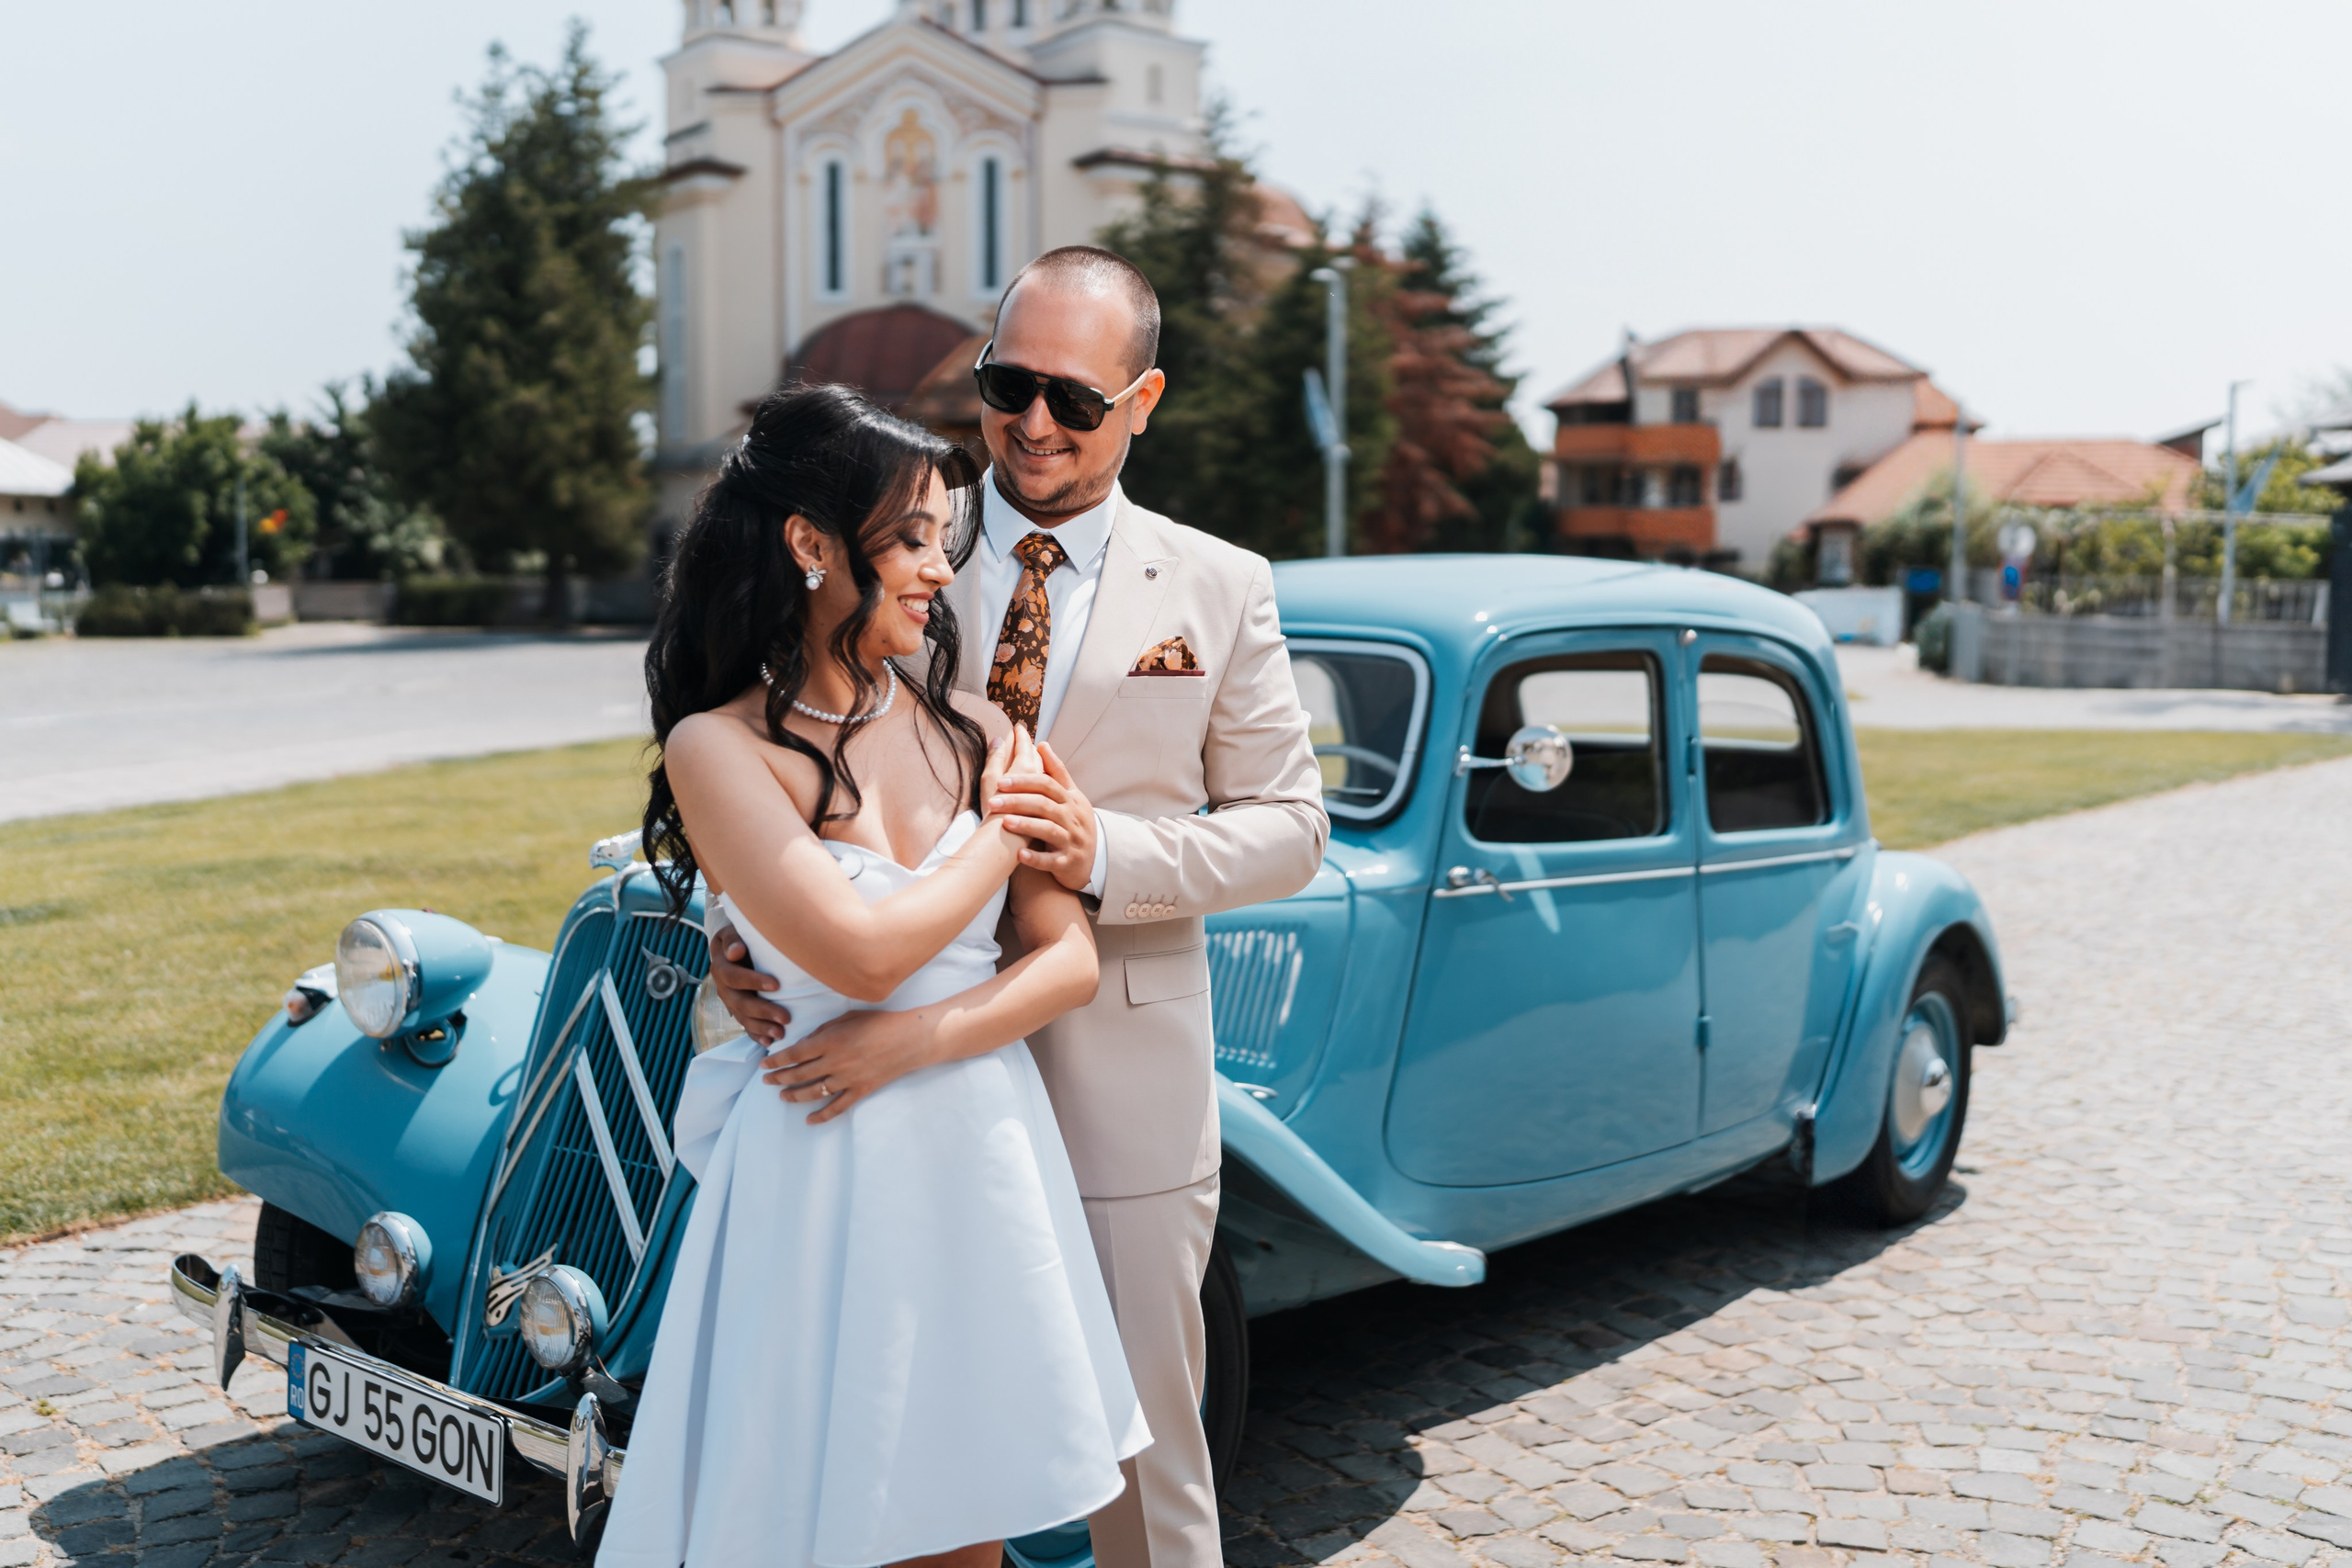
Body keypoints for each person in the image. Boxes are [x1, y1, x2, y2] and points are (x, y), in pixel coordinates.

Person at [713, 247, 1329, 1568]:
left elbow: (1293, 832)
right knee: (892, 1427)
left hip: (1115, 1055)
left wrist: (1104, 849)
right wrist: (748, 928)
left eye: (1076, 398)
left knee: (1139, 1444)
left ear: (1144, 399)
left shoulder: (1221, 586)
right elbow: (790, 749)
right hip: (889, 1070)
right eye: (1008, 383)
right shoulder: (900, 544)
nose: (1033, 422)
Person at [599, 383, 1149, 1568]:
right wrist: (1004, 832)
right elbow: (858, 953)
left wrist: (908, 1043)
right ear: (811, 545)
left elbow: (1067, 963)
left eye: (945, 542)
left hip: (978, 1166)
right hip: (822, 1181)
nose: (941, 569)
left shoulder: (978, 735)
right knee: (813, 1522)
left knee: (964, 1526)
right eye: (911, 539)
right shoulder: (723, 746)